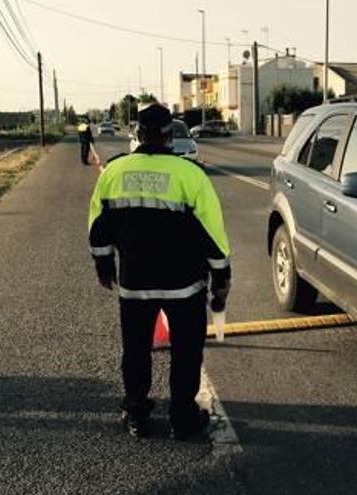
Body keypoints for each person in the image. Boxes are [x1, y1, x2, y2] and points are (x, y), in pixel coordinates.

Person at [88, 104, 231, 440]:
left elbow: (98, 225)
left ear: (137, 135)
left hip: (135, 283)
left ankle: (137, 415)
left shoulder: (114, 172)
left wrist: (103, 262)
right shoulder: (189, 174)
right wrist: (221, 275)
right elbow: (212, 232)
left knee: (136, 350)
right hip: (184, 286)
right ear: (169, 136)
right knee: (186, 351)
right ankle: (182, 419)